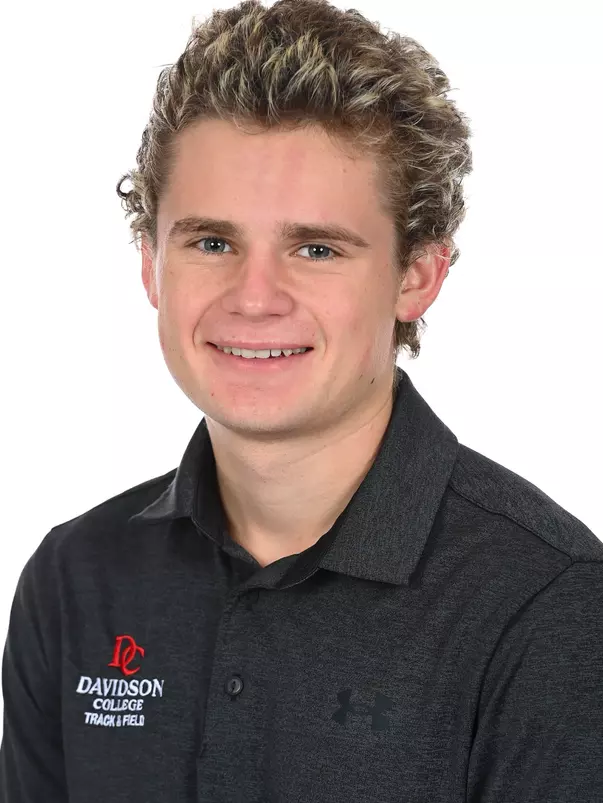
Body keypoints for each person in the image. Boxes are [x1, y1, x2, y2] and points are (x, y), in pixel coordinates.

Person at [1, 0, 602, 800]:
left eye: (315, 248)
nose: (254, 298)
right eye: (212, 242)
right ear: (149, 261)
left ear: (418, 274)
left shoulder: (550, 605)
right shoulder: (78, 577)